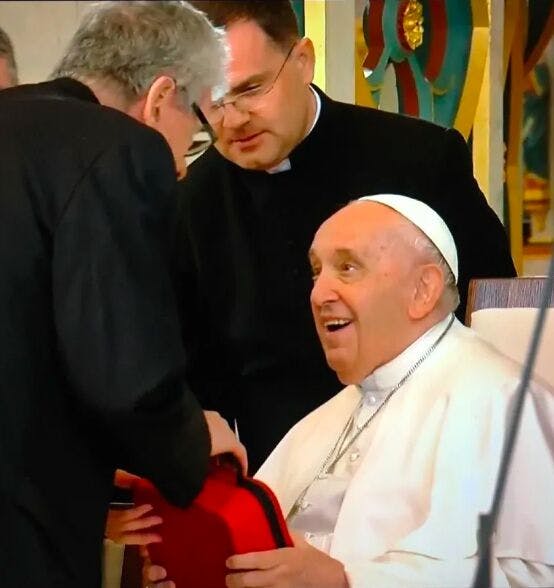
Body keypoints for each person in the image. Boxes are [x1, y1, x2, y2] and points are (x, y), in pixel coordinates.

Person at [142, 194, 554, 588]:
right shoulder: (330, 415)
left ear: (422, 290)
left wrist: (347, 581)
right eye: (317, 271)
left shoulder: (504, 402)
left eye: (348, 268)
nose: (319, 294)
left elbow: (539, 576)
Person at [177, 0, 517, 472]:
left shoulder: (419, 159)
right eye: (212, 101)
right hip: (289, 488)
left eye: (251, 89)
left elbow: (496, 315)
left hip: (436, 469)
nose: (233, 119)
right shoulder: (191, 203)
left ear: (302, 61)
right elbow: (198, 386)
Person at [0, 2, 245, 587]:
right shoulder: (118, 147)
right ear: (161, 97)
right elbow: (120, 367)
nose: (184, 168)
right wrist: (191, 438)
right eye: (195, 131)